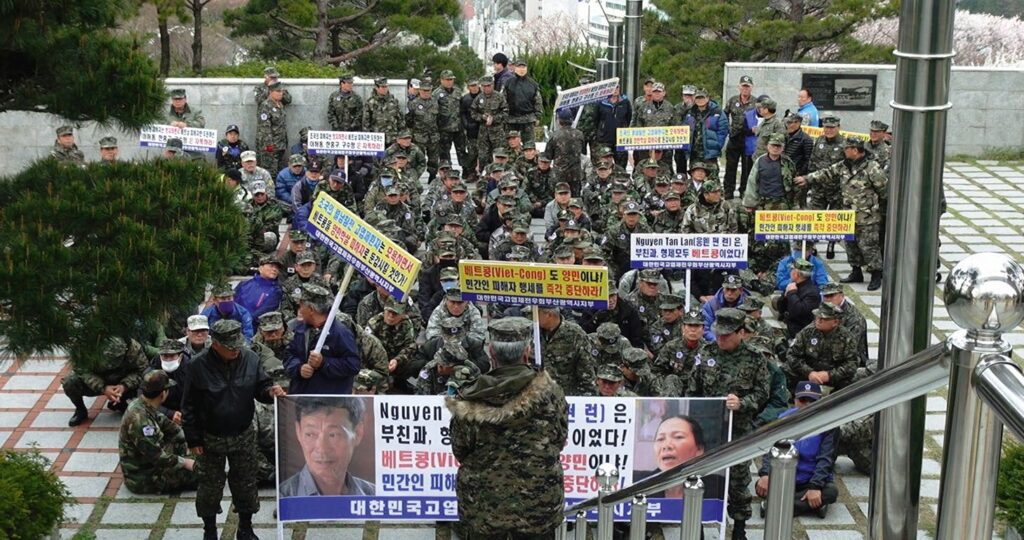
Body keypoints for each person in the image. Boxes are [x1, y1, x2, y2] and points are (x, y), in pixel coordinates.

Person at [447, 317, 568, 539]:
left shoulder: (469, 399)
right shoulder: (550, 393)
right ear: (527, 352)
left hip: (483, 506)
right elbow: (559, 439)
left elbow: (460, 450)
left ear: (491, 352)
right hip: (538, 504)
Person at [183, 319, 285, 540]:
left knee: (246, 482)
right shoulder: (196, 366)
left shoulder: (251, 359)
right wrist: (193, 439)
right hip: (210, 437)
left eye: (238, 345)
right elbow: (188, 405)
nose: (235, 351)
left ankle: (246, 528)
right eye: (231, 347)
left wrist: (270, 392)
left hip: (243, 433)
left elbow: (261, 387)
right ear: (216, 344)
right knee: (209, 487)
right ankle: (209, 530)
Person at [687, 308, 769, 539]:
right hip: (708, 430)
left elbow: (763, 394)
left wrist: (743, 402)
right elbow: (693, 390)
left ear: (741, 332)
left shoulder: (755, 359)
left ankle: (740, 527)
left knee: (738, 481)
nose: (720, 339)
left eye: (726, 335)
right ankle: (699, 526)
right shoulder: (706, 353)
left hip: (738, 431)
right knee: (702, 479)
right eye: (718, 334)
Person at [795, 138, 888, 290]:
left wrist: (877, 209)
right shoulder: (844, 165)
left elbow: (884, 190)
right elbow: (826, 172)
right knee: (851, 246)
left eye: (847, 149)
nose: (844, 151)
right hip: (847, 215)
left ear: (855, 150)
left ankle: (876, 275)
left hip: (867, 217)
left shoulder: (872, 167)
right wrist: (806, 178)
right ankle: (856, 271)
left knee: (869, 247)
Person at [756, 382, 839, 518]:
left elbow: (826, 459)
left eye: (812, 401)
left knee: (830, 492)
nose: (806, 404)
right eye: (802, 400)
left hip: (810, 479)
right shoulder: (783, 419)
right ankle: (812, 505)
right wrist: (765, 475)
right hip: (784, 477)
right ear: (794, 401)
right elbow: (770, 449)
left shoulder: (829, 425)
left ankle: (773, 507)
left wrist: (815, 487)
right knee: (760, 487)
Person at [119, 370, 197, 494]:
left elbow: (169, 426)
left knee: (199, 459)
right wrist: (185, 462)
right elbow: (158, 456)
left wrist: (189, 441)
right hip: (143, 477)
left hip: (150, 463)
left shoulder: (143, 404)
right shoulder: (141, 421)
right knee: (205, 475)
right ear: (163, 394)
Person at [279, 396, 374, 497]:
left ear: (358, 433)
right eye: (310, 434)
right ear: (298, 432)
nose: (322, 449)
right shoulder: (284, 498)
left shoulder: (375, 497)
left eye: (333, 435)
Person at [285, 284, 362, 394]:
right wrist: (299, 368)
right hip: (302, 399)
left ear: (311, 309)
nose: (300, 311)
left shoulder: (341, 333)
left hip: (330, 402)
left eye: (301, 306)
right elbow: (289, 355)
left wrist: (324, 362)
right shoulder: (300, 329)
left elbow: (353, 365)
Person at [63, 337, 148, 426]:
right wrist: (103, 388)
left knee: (150, 378)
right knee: (69, 382)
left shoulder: (133, 348)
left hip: (123, 378)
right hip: (98, 379)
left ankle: (121, 401)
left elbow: (143, 369)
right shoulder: (86, 347)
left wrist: (124, 386)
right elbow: (81, 370)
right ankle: (80, 409)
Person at [784, 302, 859, 391]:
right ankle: (797, 395)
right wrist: (809, 372)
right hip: (808, 372)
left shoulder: (846, 337)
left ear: (835, 322)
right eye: (817, 317)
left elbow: (852, 363)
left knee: (854, 378)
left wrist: (829, 375)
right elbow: (792, 355)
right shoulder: (807, 332)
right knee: (786, 369)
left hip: (833, 375)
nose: (818, 321)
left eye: (824, 318)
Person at [536, 305, 597, 397]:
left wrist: (586, 399)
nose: (533, 318)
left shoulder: (575, 334)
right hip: (537, 396)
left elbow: (586, 371)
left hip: (566, 396)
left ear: (548, 315)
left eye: (537, 314)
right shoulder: (533, 332)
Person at [821, 282, 870, 367]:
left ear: (842, 295)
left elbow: (849, 347)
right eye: (826, 296)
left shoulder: (854, 318)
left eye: (832, 296)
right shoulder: (825, 309)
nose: (828, 299)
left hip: (850, 362)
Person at [724, 75, 757, 200]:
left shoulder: (755, 102)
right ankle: (728, 191)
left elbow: (761, 116)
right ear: (739, 87)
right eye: (743, 86)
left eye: (747, 86)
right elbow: (724, 115)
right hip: (734, 137)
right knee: (730, 166)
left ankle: (744, 191)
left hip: (749, 139)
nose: (745, 89)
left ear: (751, 88)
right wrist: (728, 128)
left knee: (747, 167)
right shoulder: (733, 100)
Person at [774, 258, 821, 338]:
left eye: (792, 270)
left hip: (803, 333)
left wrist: (792, 294)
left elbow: (798, 312)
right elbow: (781, 309)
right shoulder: (793, 285)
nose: (790, 272)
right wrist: (785, 297)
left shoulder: (812, 293)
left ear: (796, 274)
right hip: (790, 327)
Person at [503, 58, 543, 145]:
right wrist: (504, 115)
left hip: (528, 119)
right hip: (511, 120)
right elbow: (503, 100)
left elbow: (538, 101)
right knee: (510, 146)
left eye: (523, 66)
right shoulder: (508, 83)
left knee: (529, 146)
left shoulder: (533, 84)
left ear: (527, 68)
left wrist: (538, 116)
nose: (521, 69)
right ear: (515, 68)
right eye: (519, 66)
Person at [233, 255, 284, 319]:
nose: (274, 269)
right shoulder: (243, 284)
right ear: (260, 268)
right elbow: (232, 303)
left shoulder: (276, 291)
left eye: (277, 267)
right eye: (271, 266)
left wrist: (246, 321)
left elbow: (264, 312)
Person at [256, 81, 289, 173]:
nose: (281, 93)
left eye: (282, 91)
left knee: (278, 170)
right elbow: (264, 129)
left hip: (280, 145)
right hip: (271, 147)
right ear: (270, 92)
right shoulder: (265, 106)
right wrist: (269, 146)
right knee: (270, 171)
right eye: (278, 91)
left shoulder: (280, 104)